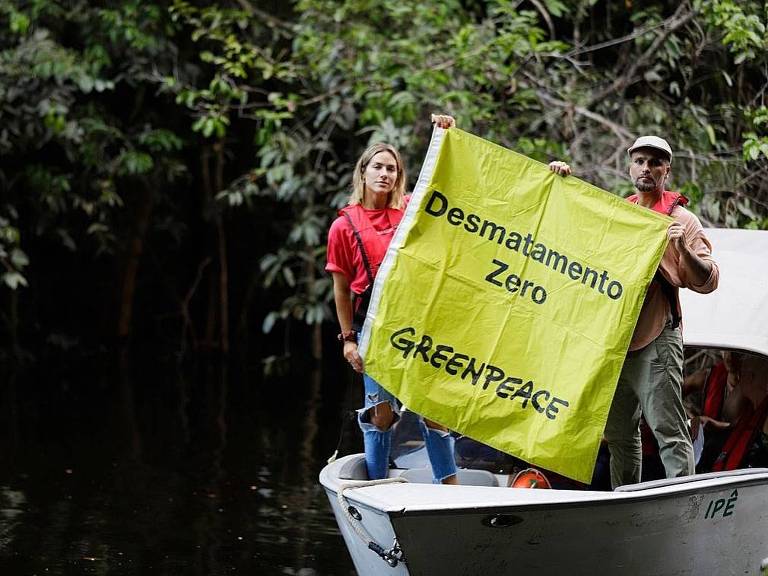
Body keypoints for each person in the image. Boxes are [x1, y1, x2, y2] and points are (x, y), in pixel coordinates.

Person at [550, 135, 719, 488]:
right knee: (619, 434)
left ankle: (681, 503)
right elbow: (576, 240)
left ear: (666, 171)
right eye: (640, 161)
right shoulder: (620, 214)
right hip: (615, 341)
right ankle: (624, 499)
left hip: (658, 337)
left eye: (655, 163)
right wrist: (560, 184)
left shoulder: (681, 219)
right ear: (630, 167)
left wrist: (681, 247)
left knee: (668, 429)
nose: (646, 168)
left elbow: (709, 279)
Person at [326, 115, 459, 484]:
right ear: (364, 173)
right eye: (379, 168)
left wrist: (445, 134)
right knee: (381, 413)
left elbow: (446, 184)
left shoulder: (412, 210)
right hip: (373, 328)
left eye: (393, 169)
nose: (385, 174)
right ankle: (377, 485)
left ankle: (449, 487)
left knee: (430, 408)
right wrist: (348, 340)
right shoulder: (344, 225)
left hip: (417, 324)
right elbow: (340, 287)